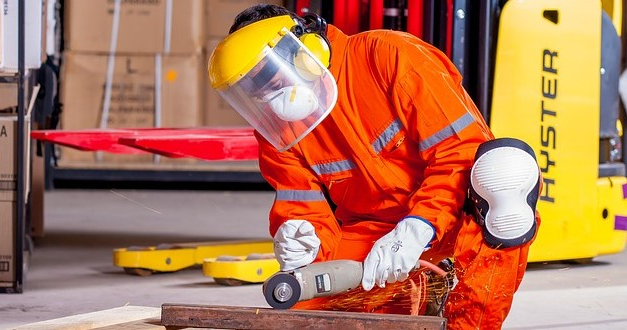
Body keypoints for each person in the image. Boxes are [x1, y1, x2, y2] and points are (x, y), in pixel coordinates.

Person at [208, 4, 542, 329]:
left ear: (303, 49)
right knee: (303, 297)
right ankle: (420, 293)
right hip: (376, 232)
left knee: (504, 175)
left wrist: (418, 227)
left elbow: (461, 152)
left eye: (269, 78)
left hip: (453, 213)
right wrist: (301, 239)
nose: (267, 95)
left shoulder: (389, 56)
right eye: (253, 89)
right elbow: (303, 207)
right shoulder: (278, 129)